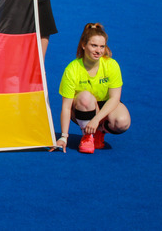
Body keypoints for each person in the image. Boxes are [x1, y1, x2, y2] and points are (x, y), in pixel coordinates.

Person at [55, 23, 131, 154]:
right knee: (85, 97)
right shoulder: (71, 70)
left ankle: (100, 131)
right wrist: (63, 136)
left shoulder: (112, 65)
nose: (98, 51)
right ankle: (87, 136)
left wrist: (96, 120)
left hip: (104, 106)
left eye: (102, 46)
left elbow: (115, 98)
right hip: (81, 108)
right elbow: (66, 107)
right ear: (84, 45)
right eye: (94, 45)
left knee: (122, 122)